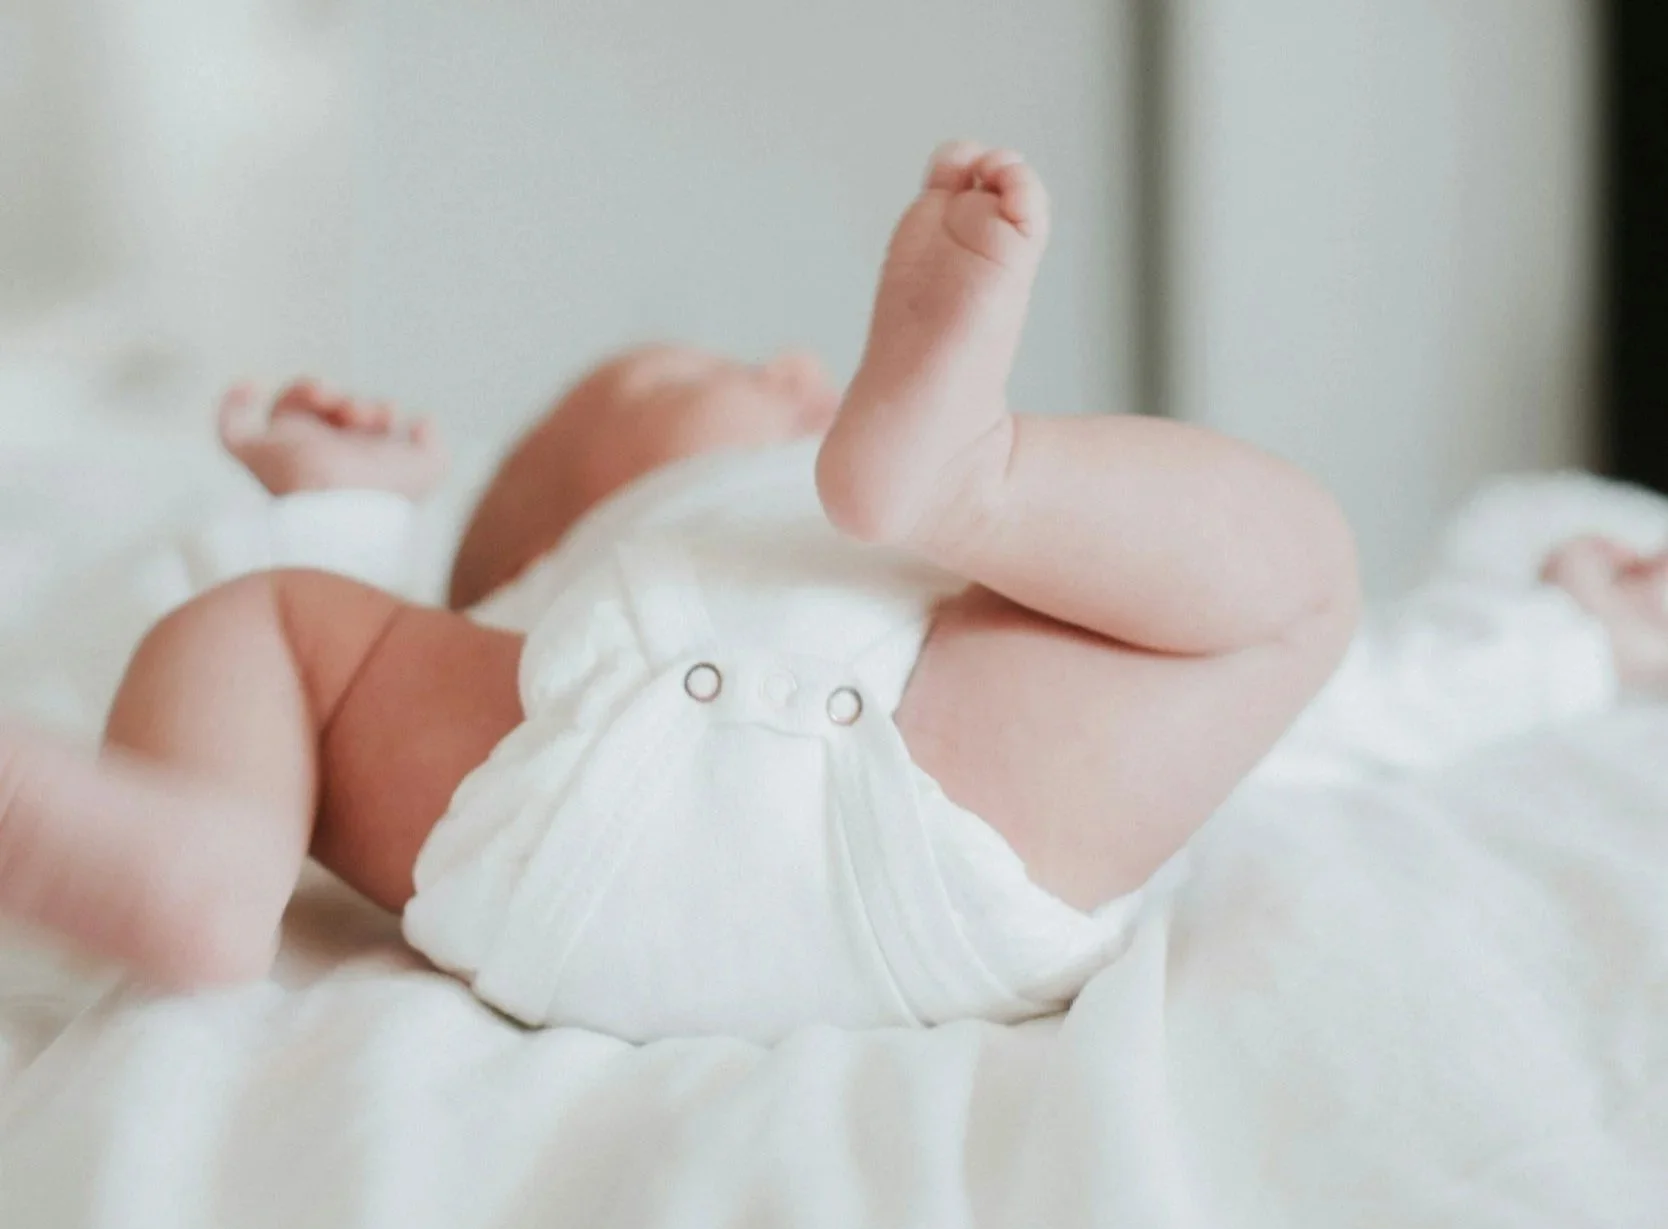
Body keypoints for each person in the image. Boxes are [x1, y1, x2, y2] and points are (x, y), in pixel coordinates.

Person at [0, 142, 1641, 1042]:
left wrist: (1563, 626)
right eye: (696, 371)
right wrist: (358, 523)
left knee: (268, 632)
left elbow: (325, 665)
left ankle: (203, 856)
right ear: (529, 524)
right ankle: (969, 467)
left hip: (562, 852)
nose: (786, 366)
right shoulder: (536, 591)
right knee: (1303, 585)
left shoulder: (541, 622)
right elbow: (1354, 703)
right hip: (946, 837)